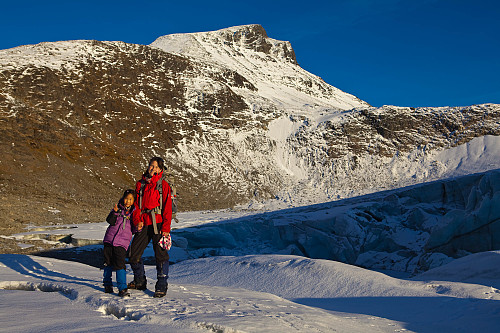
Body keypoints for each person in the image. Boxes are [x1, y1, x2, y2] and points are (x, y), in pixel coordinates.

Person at [128, 156, 172, 298]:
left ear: (160, 169)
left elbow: (167, 208)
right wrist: (137, 220)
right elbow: (136, 206)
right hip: (144, 222)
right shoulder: (140, 184)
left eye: (155, 167)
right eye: (150, 166)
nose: (152, 168)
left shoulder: (163, 185)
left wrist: (166, 228)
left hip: (158, 223)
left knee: (160, 254)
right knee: (133, 253)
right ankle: (140, 280)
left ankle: (161, 284)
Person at [103, 189, 138, 297]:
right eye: (126, 198)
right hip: (109, 240)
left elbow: (134, 228)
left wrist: (138, 227)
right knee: (108, 263)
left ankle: (122, 288)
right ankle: (107, 284)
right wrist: (114, 212)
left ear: (133, 201)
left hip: (122, 243)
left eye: (130, 199)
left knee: (120, 265)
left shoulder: (134, 213)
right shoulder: (117, 208)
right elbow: (110, 221)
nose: (128, 201)